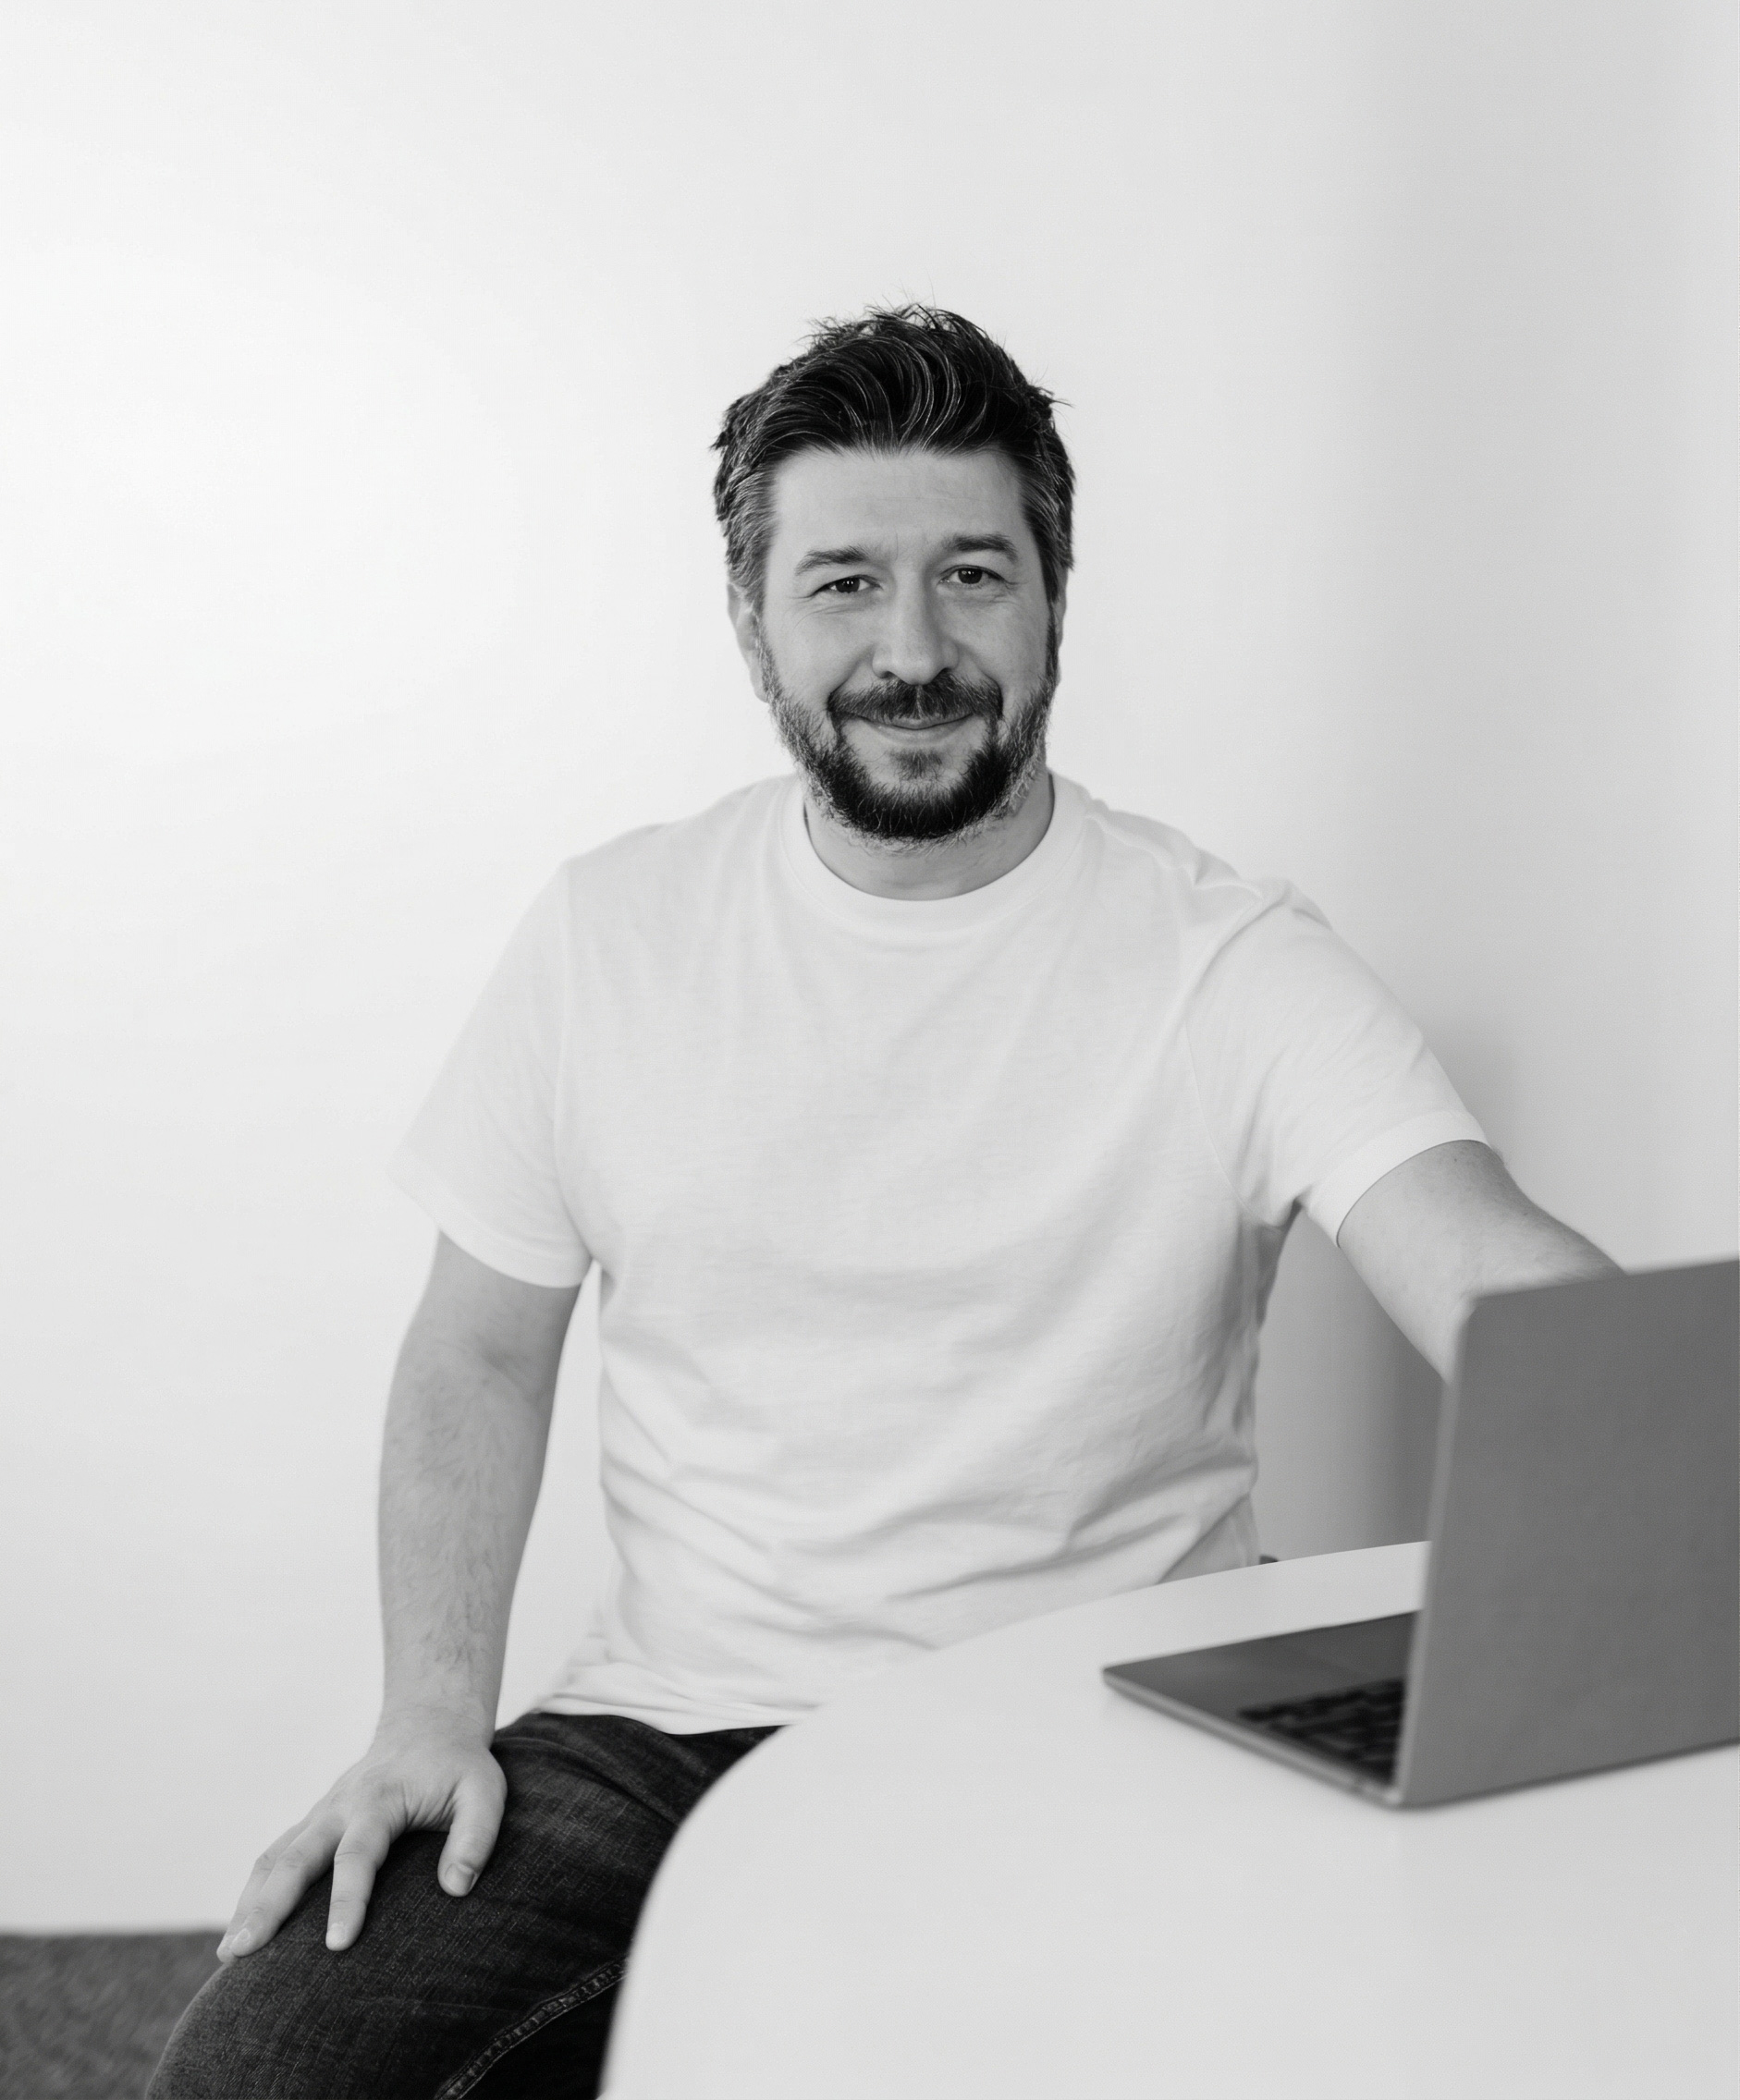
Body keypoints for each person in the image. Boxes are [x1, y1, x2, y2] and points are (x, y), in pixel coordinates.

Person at [152, 306, 1615, 2097]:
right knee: (264, 2075)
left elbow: (1485, 1270)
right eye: (843, 583)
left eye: (970, 576)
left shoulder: (1229, 961)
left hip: (1106, 1706)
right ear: (750, 616)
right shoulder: (610, 934)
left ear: (1055, 596)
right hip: (671, 1739)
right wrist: (427, 1713)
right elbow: (477, 1351)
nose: (911, 651)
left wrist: (1658, 1432)